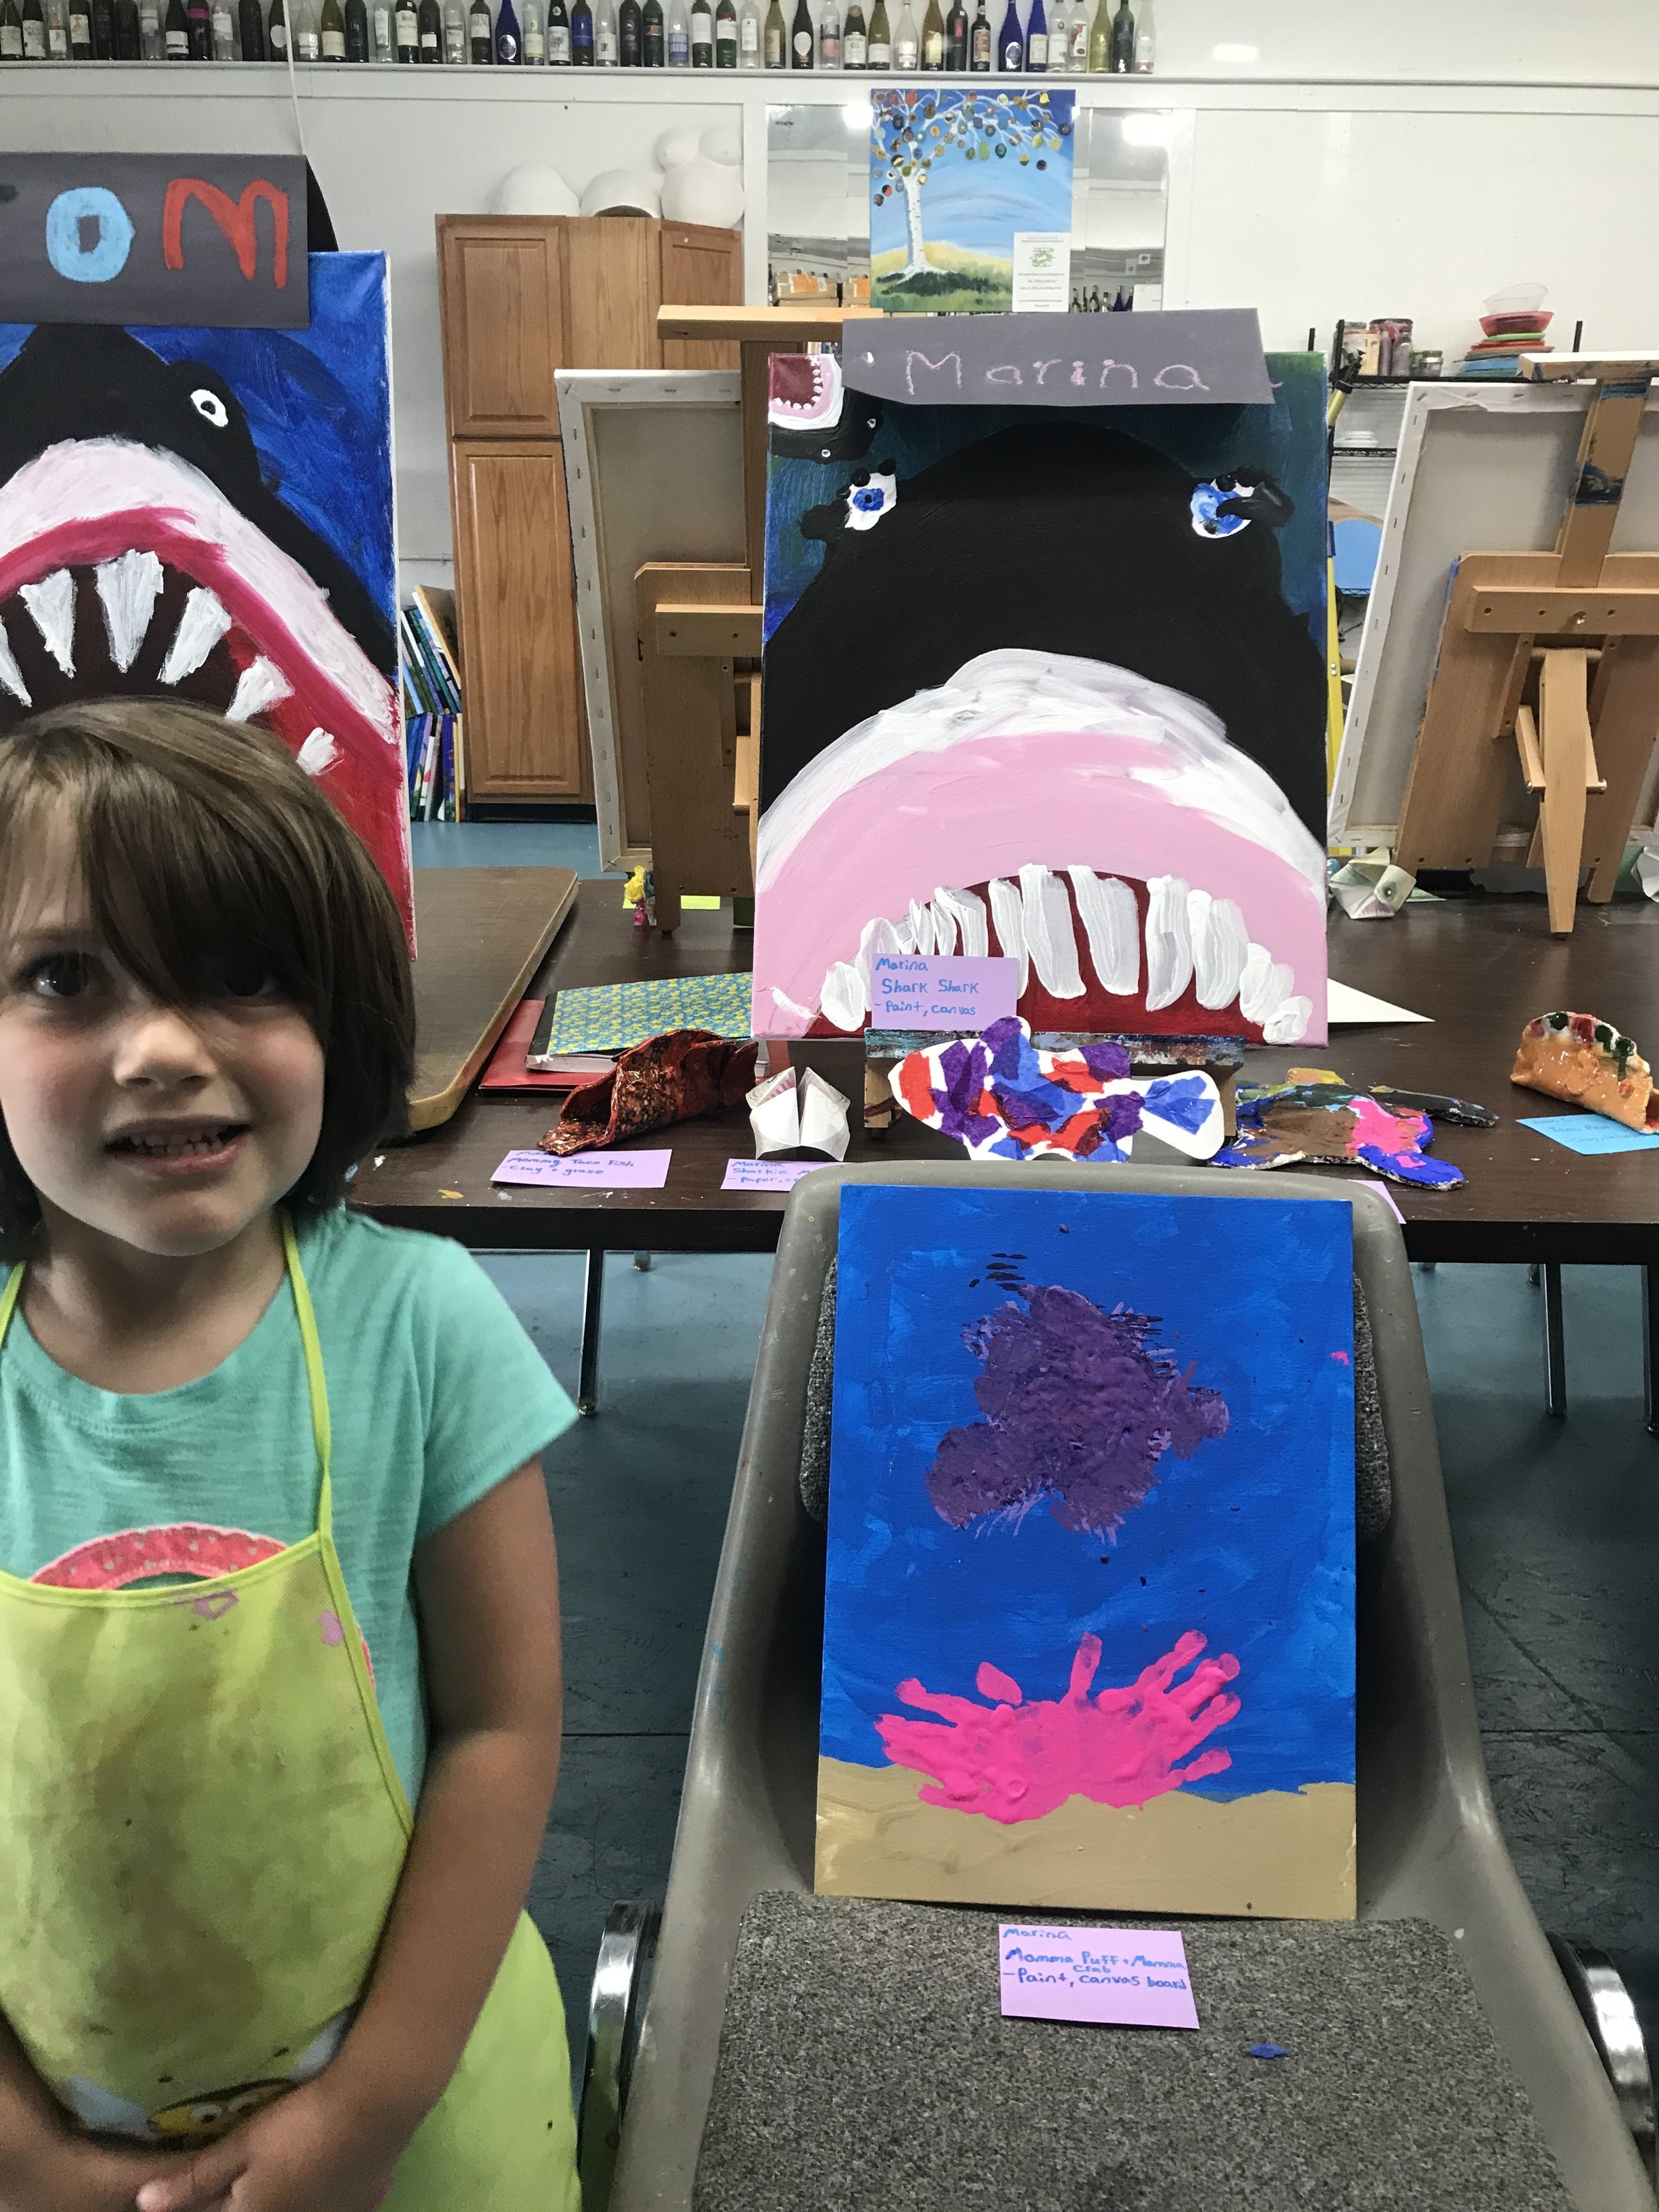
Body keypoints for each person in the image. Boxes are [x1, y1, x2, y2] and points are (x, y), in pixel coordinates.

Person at [0, 700, 580, 2211]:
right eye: (64, 978)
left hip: (420, 2124)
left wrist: (366, 2112)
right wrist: (21, 2151)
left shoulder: (424, 1325)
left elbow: (502, 1728)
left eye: (245, 976)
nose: (163, 1049)